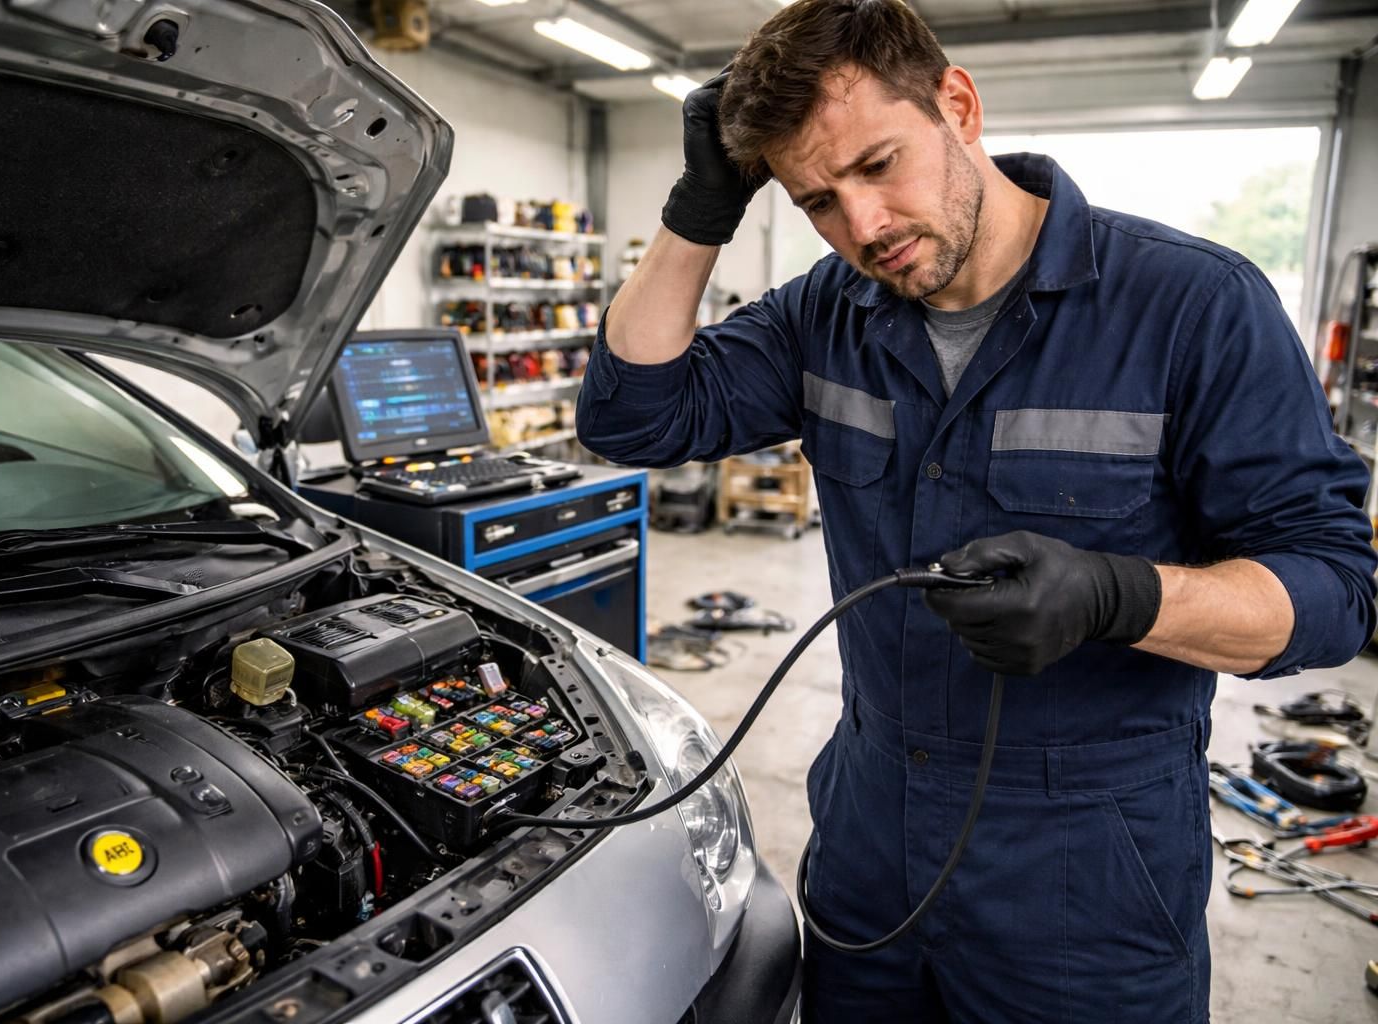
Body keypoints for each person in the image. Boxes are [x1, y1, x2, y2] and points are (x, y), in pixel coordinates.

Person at [574, 1, 1377, 1020]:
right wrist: (698, 210)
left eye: (877, 166)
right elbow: (630, 415)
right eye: (817, 199)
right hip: (871, 847)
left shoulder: (1193, 308)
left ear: (958, 103)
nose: (861, 227)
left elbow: (1336, 589)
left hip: (1087, 882)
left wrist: (1120, 596)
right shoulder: (828, 311)